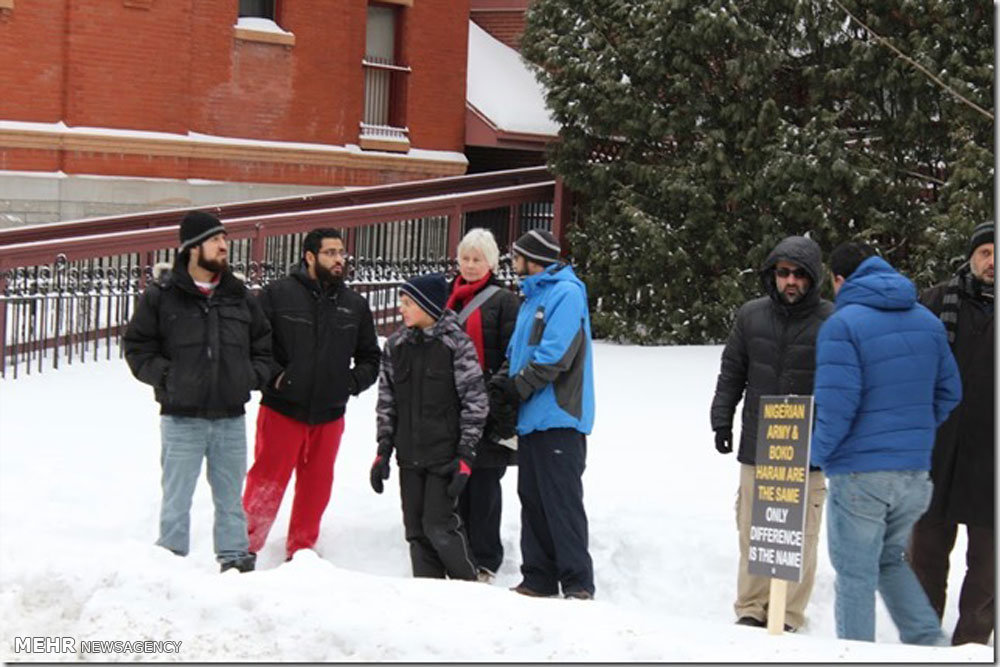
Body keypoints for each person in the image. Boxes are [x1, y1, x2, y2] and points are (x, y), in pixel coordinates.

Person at [811, 242, 962, 645]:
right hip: (915, 474)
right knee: (889, 562)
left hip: (861, 476)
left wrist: (814, 456)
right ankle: (931, 643)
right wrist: (915, 433)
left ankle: (854, 656)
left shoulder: (842, 326)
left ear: (840, 280)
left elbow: (837, 406)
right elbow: (951, 391)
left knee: (856, 574)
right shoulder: (927, 322)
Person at [124, 210, 272, 573]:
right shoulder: (162, 297)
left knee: (230, 500)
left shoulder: (240, 297)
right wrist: (168, 376)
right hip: (181, 417)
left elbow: (265, 348)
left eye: (224, 238)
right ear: (192, 248)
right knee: (176, 498)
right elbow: (138, 348)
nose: (224, 246)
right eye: (215, 240)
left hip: (230, 418)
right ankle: (171, 562)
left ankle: (235, 559)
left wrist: (249, 377)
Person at [709, 236, 833, 631]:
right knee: (753, 529)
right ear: (772, 275)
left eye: (799, 274)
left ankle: (790, 614)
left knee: (801, 536)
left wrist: (832, 438)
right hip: (758, 444)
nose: (790, 281)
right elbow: (732, 372)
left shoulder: (832, 320)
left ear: (813, 279)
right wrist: (721, 419)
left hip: (807, 450)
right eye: (783, 273)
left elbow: (841, 386)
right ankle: (751, 607)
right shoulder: (750, 315)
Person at [242, 228, 381, 562]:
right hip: (282, 409)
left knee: (316, 486)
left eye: (341, 253)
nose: (338, 260)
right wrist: (276, 379)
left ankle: (301, 551)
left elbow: (370, 357)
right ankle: (244, 549)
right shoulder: (277, 295)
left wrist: (349, 383)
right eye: (330, 253)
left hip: (330, 415)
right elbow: (255, 347)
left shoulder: (354, 304)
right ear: (309, 256)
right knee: (266, 482)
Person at [490, 229, 596, 600]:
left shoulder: (566, 293)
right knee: (532, 497)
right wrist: (502, 384)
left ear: (533, 259)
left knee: (561, 501)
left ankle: (577, 582)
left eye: (516, 255)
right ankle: (538, 576)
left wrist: (517, 387)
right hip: (532, 416)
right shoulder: (532, 297)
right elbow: (516, 353)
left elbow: (555, 355)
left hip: (560, 416)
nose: (512, 262)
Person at [369, 273, 488, 580]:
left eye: (408, 303)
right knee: (416, 530)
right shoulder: (396, 346)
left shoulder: (455, 344)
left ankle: (468, 585)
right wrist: (383, 449)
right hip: (409, 456)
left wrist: (466, 454)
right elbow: (387, 401)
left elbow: (475, 400)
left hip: (444, 456)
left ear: (428, 306)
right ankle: (428, 594)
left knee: (439, 525)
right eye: (402, 302)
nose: (402, 309)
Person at [910, 222, 995, 646]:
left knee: (988, 569)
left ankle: (971, 649)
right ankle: (923, 644)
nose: (993, 261)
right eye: (985, 252)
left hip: (992, 461)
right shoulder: (936, 300)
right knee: (924, 557)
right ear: (971, 256)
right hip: (937, 452)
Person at [445, 228, 521, 583]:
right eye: (466, 258)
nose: (471, 265)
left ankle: (486, 556)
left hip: (487, 403)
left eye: (478, 259)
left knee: (485, 481)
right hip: (449, 402)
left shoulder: (505, 301)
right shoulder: (447, 296)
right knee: (454, 477)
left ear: (491, 262)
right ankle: (456, 551)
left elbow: (512, 353)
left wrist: (493, 392)